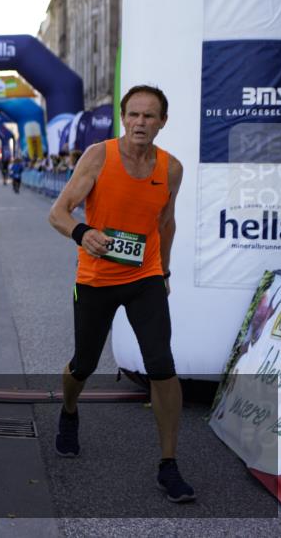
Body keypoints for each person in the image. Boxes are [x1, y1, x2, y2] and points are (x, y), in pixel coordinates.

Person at [47, 84, 193, 503]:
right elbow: (58, 212)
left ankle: (169, 464)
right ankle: (69, 412)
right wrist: (83, 232)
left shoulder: (172, 168)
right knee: (84, 363)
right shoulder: (99, 156)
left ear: (163, 122)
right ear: (123, 118)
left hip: (144, 276)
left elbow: (166, 222)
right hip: (95, 279)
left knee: (162, 365)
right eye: (133, 114)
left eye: (149, 116)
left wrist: (163, 270)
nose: (140, 123)